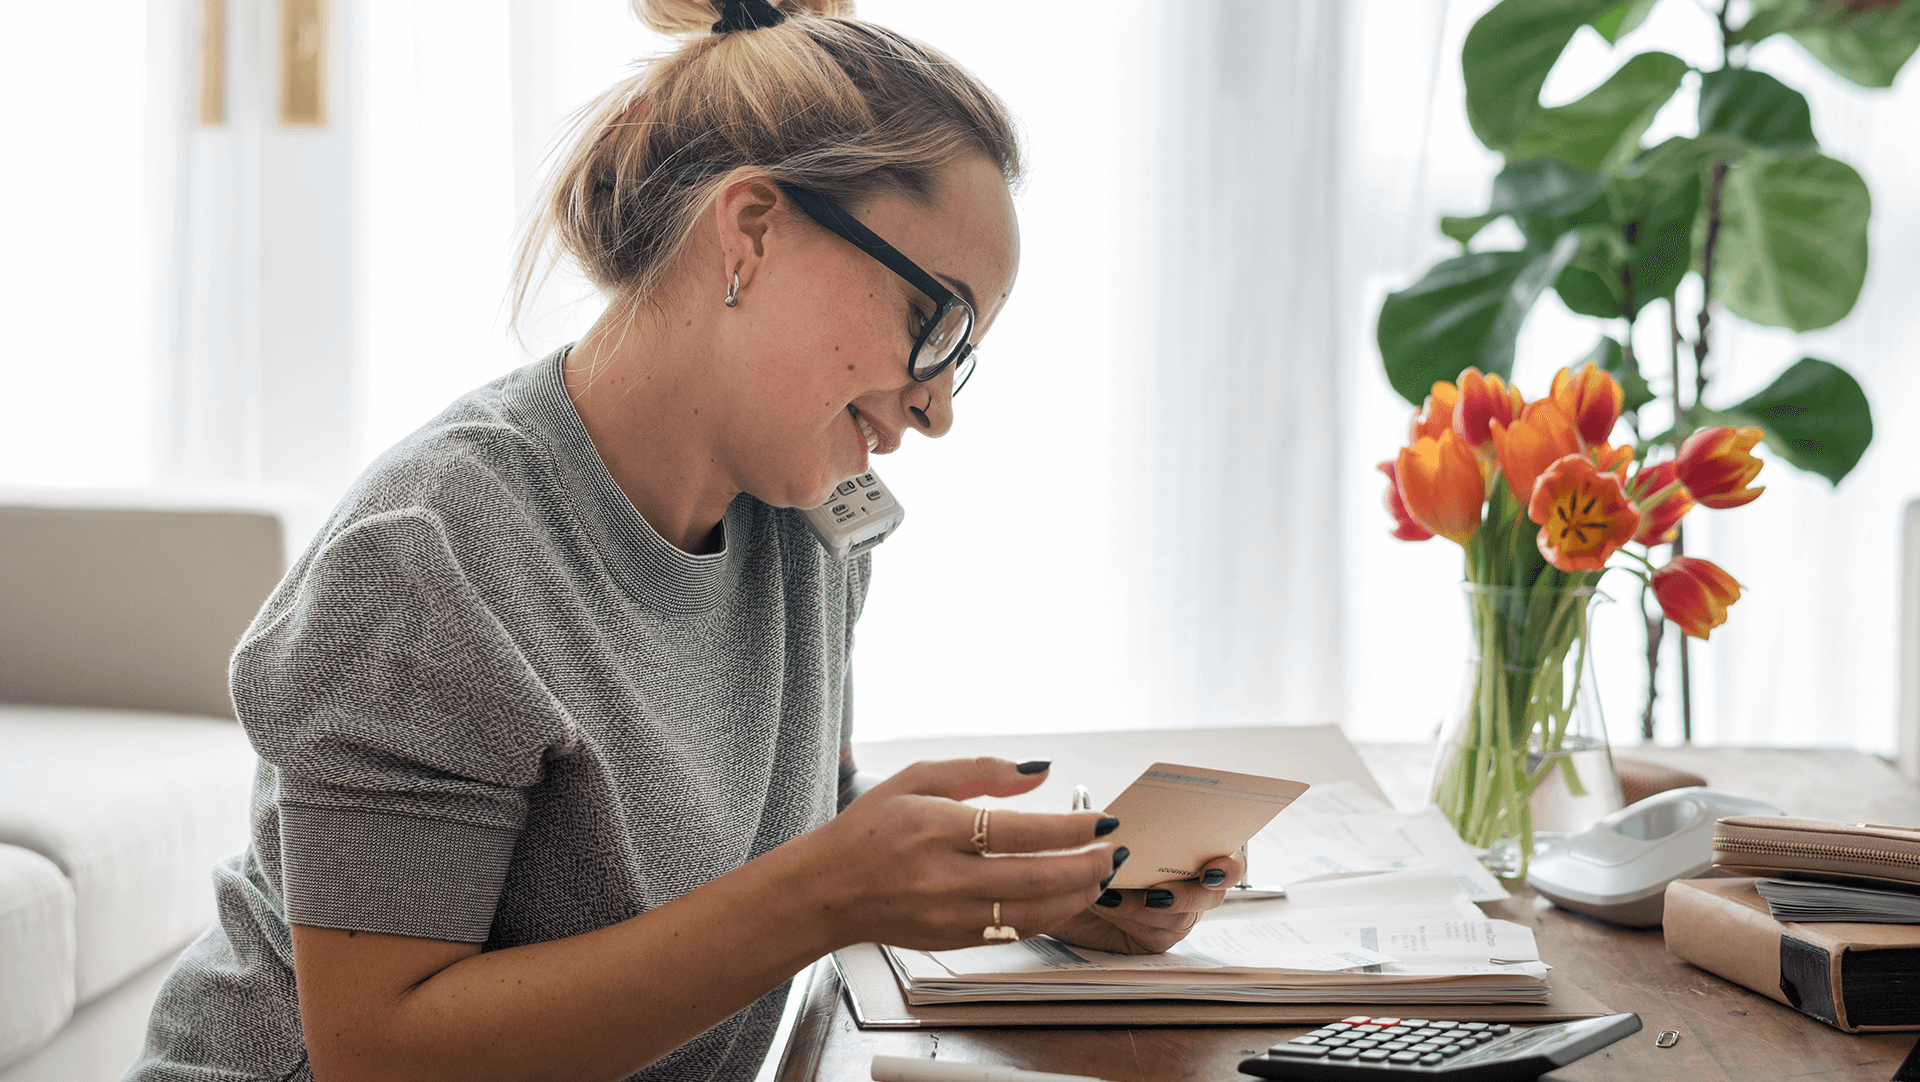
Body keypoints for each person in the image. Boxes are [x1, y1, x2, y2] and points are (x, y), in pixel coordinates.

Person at [125, 2, 1245, 1080]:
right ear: (752, 232)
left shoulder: (812, 523)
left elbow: (768, 851)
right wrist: (831, 890)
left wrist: (1045, 891)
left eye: (966, 352)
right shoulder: (431, 556)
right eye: (933, 321)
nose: (940, 403)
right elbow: (381, 1051)